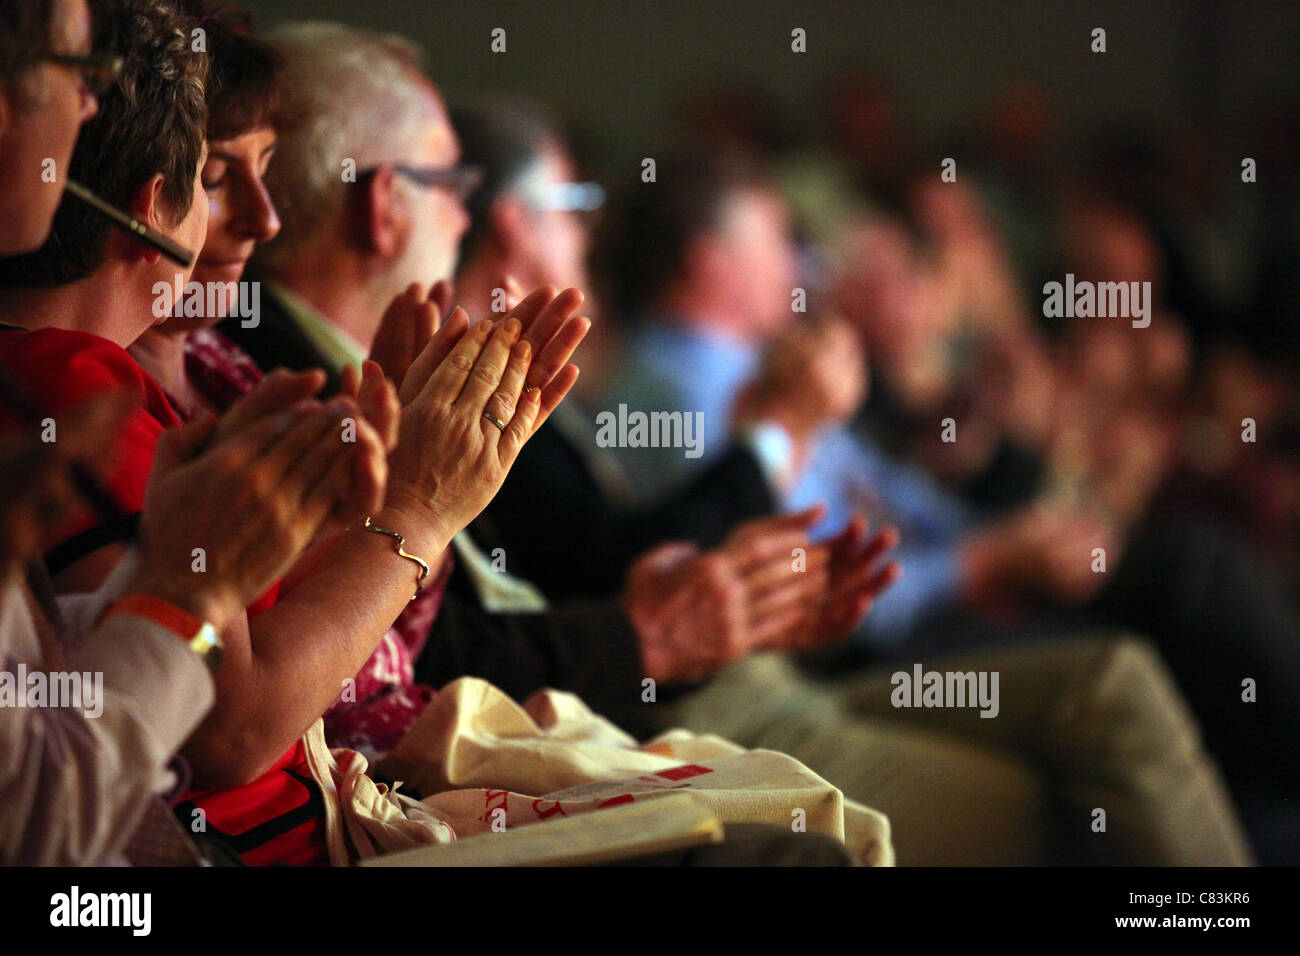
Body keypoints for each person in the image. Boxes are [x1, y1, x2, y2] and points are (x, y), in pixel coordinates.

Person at [234, 41, 1249, 864]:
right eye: (777, 234)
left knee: (1132, 673)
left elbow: (588, 572)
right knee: (1083, 766)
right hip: (649, 702)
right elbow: (541, 594)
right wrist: (769, 470)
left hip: (721, 671)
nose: (805, 260)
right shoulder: (333, 383)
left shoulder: (428, 364)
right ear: (384, 206)